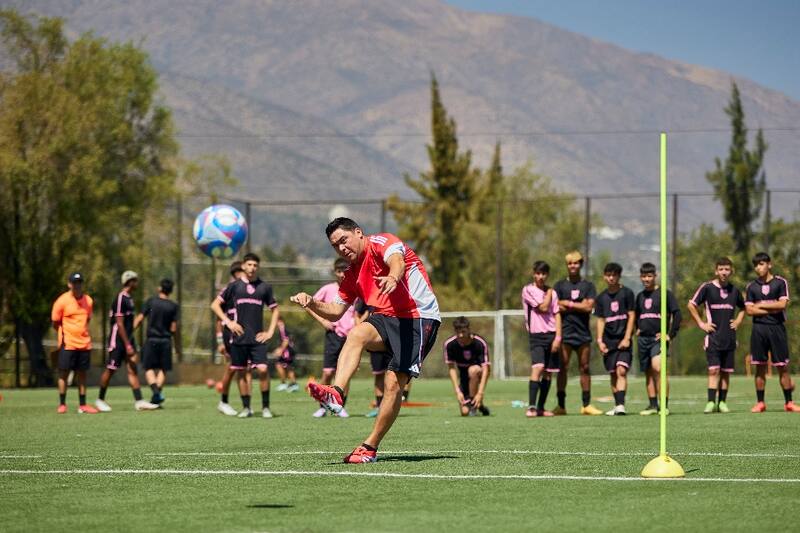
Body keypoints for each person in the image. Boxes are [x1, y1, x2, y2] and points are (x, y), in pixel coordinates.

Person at [290, 218, 440, 463]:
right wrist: (312, 302)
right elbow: (336, 311)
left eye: (343, 240)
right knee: (357, 333)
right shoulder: (352, 274)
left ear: (358, 233)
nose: (341, 248)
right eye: (335, 246)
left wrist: (393, 277)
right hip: (386, 316)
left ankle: (369, 447)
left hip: (417, 317)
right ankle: (337, 393)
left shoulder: (382, 242)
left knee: (393, 383)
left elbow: (397, 261)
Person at [211, 252, 280, 419]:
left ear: (258, 267)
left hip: (257, 338)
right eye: (249, 264)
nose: (252, 268)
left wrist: (270, 332)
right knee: (241, 372)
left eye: (255, 265)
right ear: (243, 266)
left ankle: (265, 408)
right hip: (239, 338)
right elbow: (215, 305)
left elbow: (275, 310)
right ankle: (246, 407)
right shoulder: (234, 286)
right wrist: (229, 322)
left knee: (263, 370)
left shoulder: (264, 287)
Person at [687, 257, 745, 414]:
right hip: (713, 337)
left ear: (731, 271)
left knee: (726, 372)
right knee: (713, 370)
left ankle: (722, 403)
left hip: (730, 338)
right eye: (721, 269)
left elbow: (744, 308)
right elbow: (691, 304)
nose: (724, 272)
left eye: (727, 269)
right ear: (716, 271)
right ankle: (711, 402)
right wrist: (701, 323)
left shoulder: (735, 290)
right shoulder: (707, 288)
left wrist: (738, 321)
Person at [744, 252, 799, 413]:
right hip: (759, 329)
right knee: (759, 367)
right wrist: (769, 306)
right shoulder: (751, 287)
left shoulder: (780, 283)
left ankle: (789, 402)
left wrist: (760, 305)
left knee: (782, 366)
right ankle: (760, 402)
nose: (758, 268)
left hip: (777, 329)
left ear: (769, 264)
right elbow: (749, 310)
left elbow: (782, 305)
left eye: (761, 264)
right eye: (756, 265)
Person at [95, 271, 158, 412]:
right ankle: (100, 399)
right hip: (117, 340)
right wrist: (127, 344)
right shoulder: (120, 298)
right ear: (129, 282)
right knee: (111, 369)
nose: (137, 283)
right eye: (135, 280)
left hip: (127, 339)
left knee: (132, 369)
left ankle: (139, 401)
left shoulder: (129, 299)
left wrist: (130, 341)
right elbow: (119, 323)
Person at [305, 257, 357, 417]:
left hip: (350, 337)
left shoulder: (355, 289)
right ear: (335, 272)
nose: (342, 274)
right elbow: (309, 304)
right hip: (333, 335)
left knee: (344, 373)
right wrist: (323, 321)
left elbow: (359, 312)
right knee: (328, 372)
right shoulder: (328, 289)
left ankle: (341, 406)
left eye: (345, 271)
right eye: (339, 271)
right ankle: (322, 406)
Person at [553, 250, 602, 415]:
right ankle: (561, 405)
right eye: (570, 263)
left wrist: (568, 304)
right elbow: (556, 305)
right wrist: (578, 304)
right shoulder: (560, 286)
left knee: (585, 367)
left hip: (583, 334)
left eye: (576, 263)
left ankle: (586, 405)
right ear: (567, 265)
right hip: (565, 333)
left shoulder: (588, 286)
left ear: (581, 264)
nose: (573, 266)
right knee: (562, 368)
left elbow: (589, 306)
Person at [635, 263, 681, 415]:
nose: (646, 279)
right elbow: (637, 315)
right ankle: (653, 405)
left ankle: (664, 405)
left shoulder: (664, 294)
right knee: (648, 371)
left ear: (655, 276)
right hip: (643, 339)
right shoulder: (640, 296)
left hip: (657, 339)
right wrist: (637, 328)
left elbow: (677, 313)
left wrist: (670, 334)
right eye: (644, 276)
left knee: (658, 368)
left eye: (649, 276)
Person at [51, 272, 98, 414]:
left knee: (82, 374)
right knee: (63, 373)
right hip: (68, 344)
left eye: (79, 282)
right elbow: (55, 322)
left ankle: (82, 405)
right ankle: (62, 404)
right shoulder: (62, 301)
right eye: (74, 282)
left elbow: (87, 320)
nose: (77, 285)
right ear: (69, 284)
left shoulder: (88, 301)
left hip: (84, 344)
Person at [594, 262, 635, 416]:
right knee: (613, 373)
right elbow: (600, 320)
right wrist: (599, 340)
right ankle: (617, 404)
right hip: (608, 341)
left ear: (619, 276)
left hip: (623, 340)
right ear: (604, 276)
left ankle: (621, 405)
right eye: (608, 275)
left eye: (614, 275)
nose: (611, 278)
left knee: (621, 370)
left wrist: (627, 337)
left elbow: (632, 315)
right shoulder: (601, 298)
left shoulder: (627, 293)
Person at [522, 261, 562, 418]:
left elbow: (557, 314)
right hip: (537, 335)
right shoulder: (528, 290)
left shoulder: (552, 293)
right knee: (537, 368)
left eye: (544, 274)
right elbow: (543, 307)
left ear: (547, 275)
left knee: (548, 373)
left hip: (552, 334)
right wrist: (550, 293)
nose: (541, 277)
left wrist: (558, 337)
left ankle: (540, 407)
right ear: (533, 274)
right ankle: (531, 407)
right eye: (538, 273)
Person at [136, 278, 180, 407]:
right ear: (171, 291)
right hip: (166, 340)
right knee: (163, 368)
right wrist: (177, 346)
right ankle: (157, 396)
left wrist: (129, 332)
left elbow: (139, 319)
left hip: (152, 339)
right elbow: (174, 328)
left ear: (160, 288)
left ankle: (156, 392)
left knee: (148, 367)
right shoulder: (173, 306)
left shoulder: (151, 302)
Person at [215, 261, 252, 416]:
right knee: (233, 367)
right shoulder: (229, 289)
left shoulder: (248, 288)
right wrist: (219, 340)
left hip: (245, 333)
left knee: (245, 368)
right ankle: (223, 401)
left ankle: (247, 404)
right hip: (230, 334)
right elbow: (218, 317)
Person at [444, 316, 491, 416]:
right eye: (458, 332)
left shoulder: (479, 343)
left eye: (463, 331)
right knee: (465, 412)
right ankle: (479, 405)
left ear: (469, 329)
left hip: (477, 375)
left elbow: (486, 369)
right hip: (464, 379)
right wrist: (457, 391)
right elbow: (451, 369)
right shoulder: (450, 344)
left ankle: (474, 403)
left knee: (473, 370)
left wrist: (480, 393)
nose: (461, 335)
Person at [273, 318, 298, 392]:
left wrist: (280, 350)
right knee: (288, 367)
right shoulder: (282, 330)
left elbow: (286, 341)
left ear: (280, 321)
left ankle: (285, 384)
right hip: (287, 352)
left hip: (287, 352)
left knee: (279, 365)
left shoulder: (283, 329)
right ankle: (293, 384)